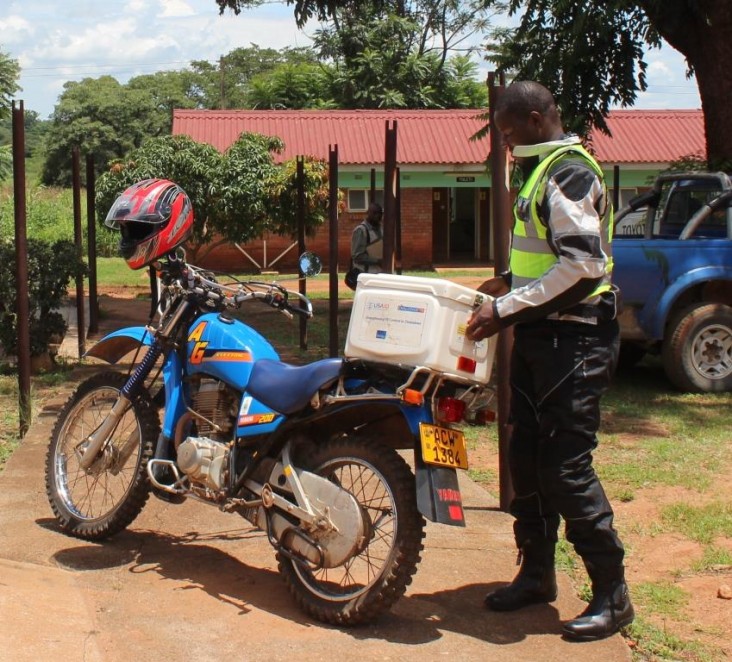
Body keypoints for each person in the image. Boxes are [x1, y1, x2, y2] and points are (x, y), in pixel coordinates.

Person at [466, 81, 634, 641]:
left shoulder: (568, 172)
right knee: (526, 456)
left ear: (536, 119)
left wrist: (506, 308)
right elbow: (548, 260)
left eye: (509, 131)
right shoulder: (540, 173)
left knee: (565, 466)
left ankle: (613, 594)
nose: (505, 142)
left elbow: (583, 269)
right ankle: (536, 573)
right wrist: (509, 285)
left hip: (576, 343)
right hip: (542, 338)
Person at [350, 202, 384, 275]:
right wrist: (378, 261)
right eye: (374, 213)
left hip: (379, 274)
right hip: (365, 275)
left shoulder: (381, 230)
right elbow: (357, 257)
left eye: (380, 213)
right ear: (368, 213)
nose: (377, 216)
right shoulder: (361, 230)